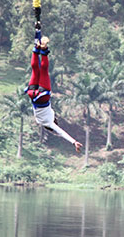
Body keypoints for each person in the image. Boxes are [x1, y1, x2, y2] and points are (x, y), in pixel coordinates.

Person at [25, 24, 83, 153]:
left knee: (44, 72)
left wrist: (73, 141)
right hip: (32, 95)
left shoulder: (50, 122)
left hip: (43, 97)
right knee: (35, 70)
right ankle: (36, 49)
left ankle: (44, 50)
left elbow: (61, 132)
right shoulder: (40, 121)